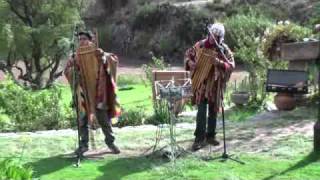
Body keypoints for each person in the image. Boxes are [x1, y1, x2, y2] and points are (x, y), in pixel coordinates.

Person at [64, 31, 121, 155]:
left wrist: (104, 58)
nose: (82, 41)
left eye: (85, 38)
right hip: (83, 95)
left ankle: (111, 143)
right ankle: (83, 145)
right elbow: (67, 71)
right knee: (82, 121)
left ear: (91, 40)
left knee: (104, 120)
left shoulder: (99, 53)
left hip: (99, 94)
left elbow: (113, 60)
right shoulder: (75, 57)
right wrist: (75, 73)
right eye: (80, 39)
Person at [184, 23, 235, 151]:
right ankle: (199, 138)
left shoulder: (223, 49)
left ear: (220, 38)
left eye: (216, 37)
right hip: (202, 83)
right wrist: (190, 63)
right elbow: (188, 55)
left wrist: (219, 63)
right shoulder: (200, 45)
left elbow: (231, 65)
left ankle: (210, 136)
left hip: (215, 85)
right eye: (212, 35)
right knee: (201, 111)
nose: (213, 39)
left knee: (213, 111)